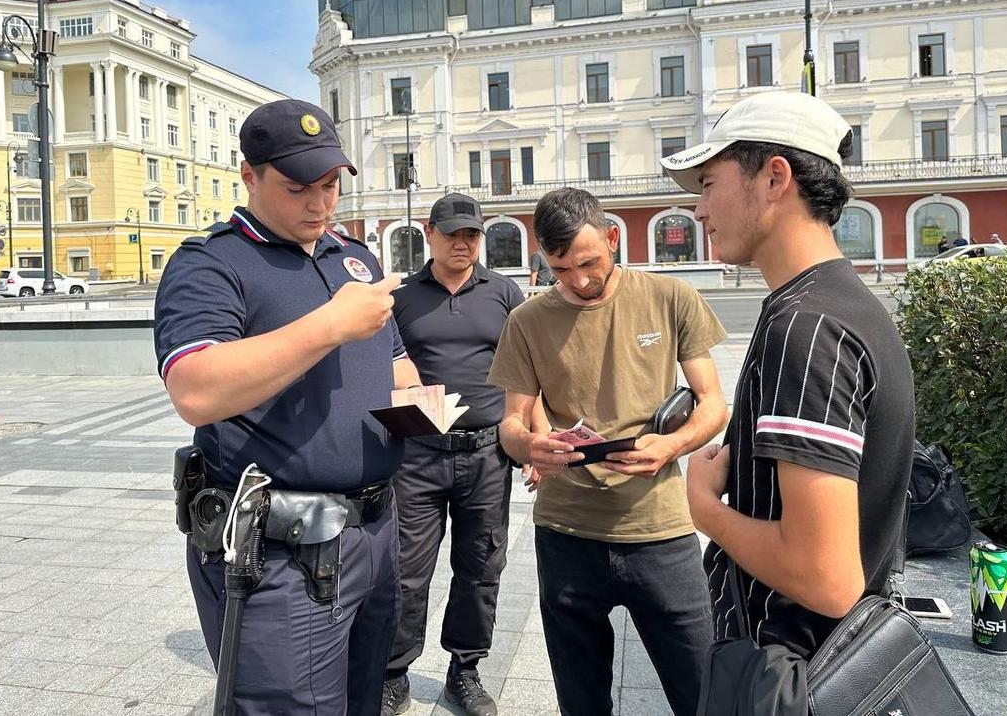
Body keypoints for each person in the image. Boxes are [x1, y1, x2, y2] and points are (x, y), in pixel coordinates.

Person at [154, 98, 421, 715]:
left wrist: (413, 394)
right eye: (298, 187)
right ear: (249, 176)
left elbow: (393, 355)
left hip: (377, 530)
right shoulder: (212, 263)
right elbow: (195, 389)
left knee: (364, 701)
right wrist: (330, 323)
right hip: (283, 551)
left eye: (330, 185)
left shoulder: (354, 256)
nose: (319, 204)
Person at [660, 90, 914, 660]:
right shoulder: (842, 304)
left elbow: (825, 576)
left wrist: (707, 511)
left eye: (707, 183)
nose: (699, 210)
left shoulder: (807, 327)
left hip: (791, 668)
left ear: (775, 179)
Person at [489, 187, 729, 716]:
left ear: (613, 238)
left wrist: (670, 445)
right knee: (582, 701)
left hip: (661, 532)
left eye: (588, 263)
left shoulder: (671, 298)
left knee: (702, 693)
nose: (577, 280)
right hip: (567, 534)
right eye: (559, 269)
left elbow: (714, 405)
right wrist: (531, 444)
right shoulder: (526, 322)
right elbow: (509, 423)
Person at [381, 193, 526, 716]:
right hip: (417, 454)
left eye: (472, 234)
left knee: (482, 565)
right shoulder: (401, 296)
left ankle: (465, 669)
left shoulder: (504, 293)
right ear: (430, 233)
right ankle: (393, 673)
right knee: (404, 569)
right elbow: (378, 366)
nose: (463, 242)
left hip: (487, 456)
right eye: (452, 233)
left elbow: (528, 372)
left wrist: (530, 438)